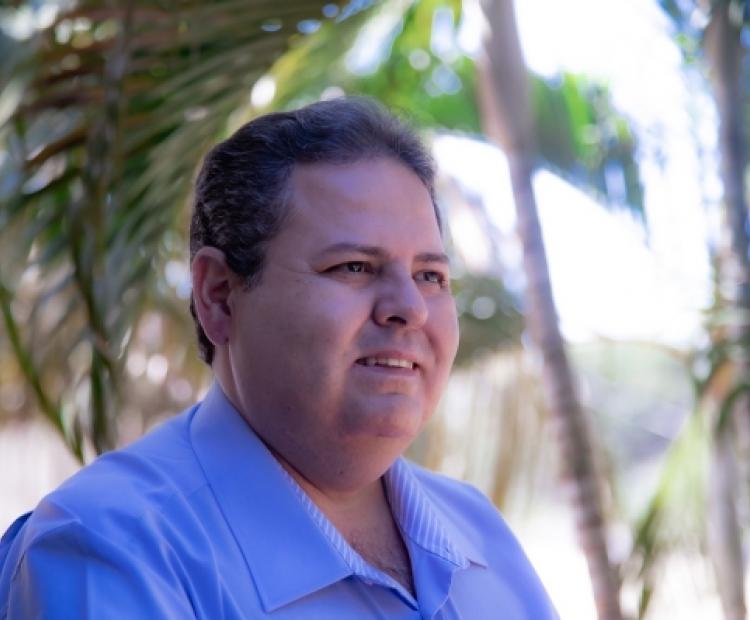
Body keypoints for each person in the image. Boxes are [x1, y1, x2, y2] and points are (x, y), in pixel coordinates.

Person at [0, 97, 558, 619]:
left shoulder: (480, 535)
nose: (409, 307)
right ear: (219, 296)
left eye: (430, 276)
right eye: (354, 267)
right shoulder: (111, 547)